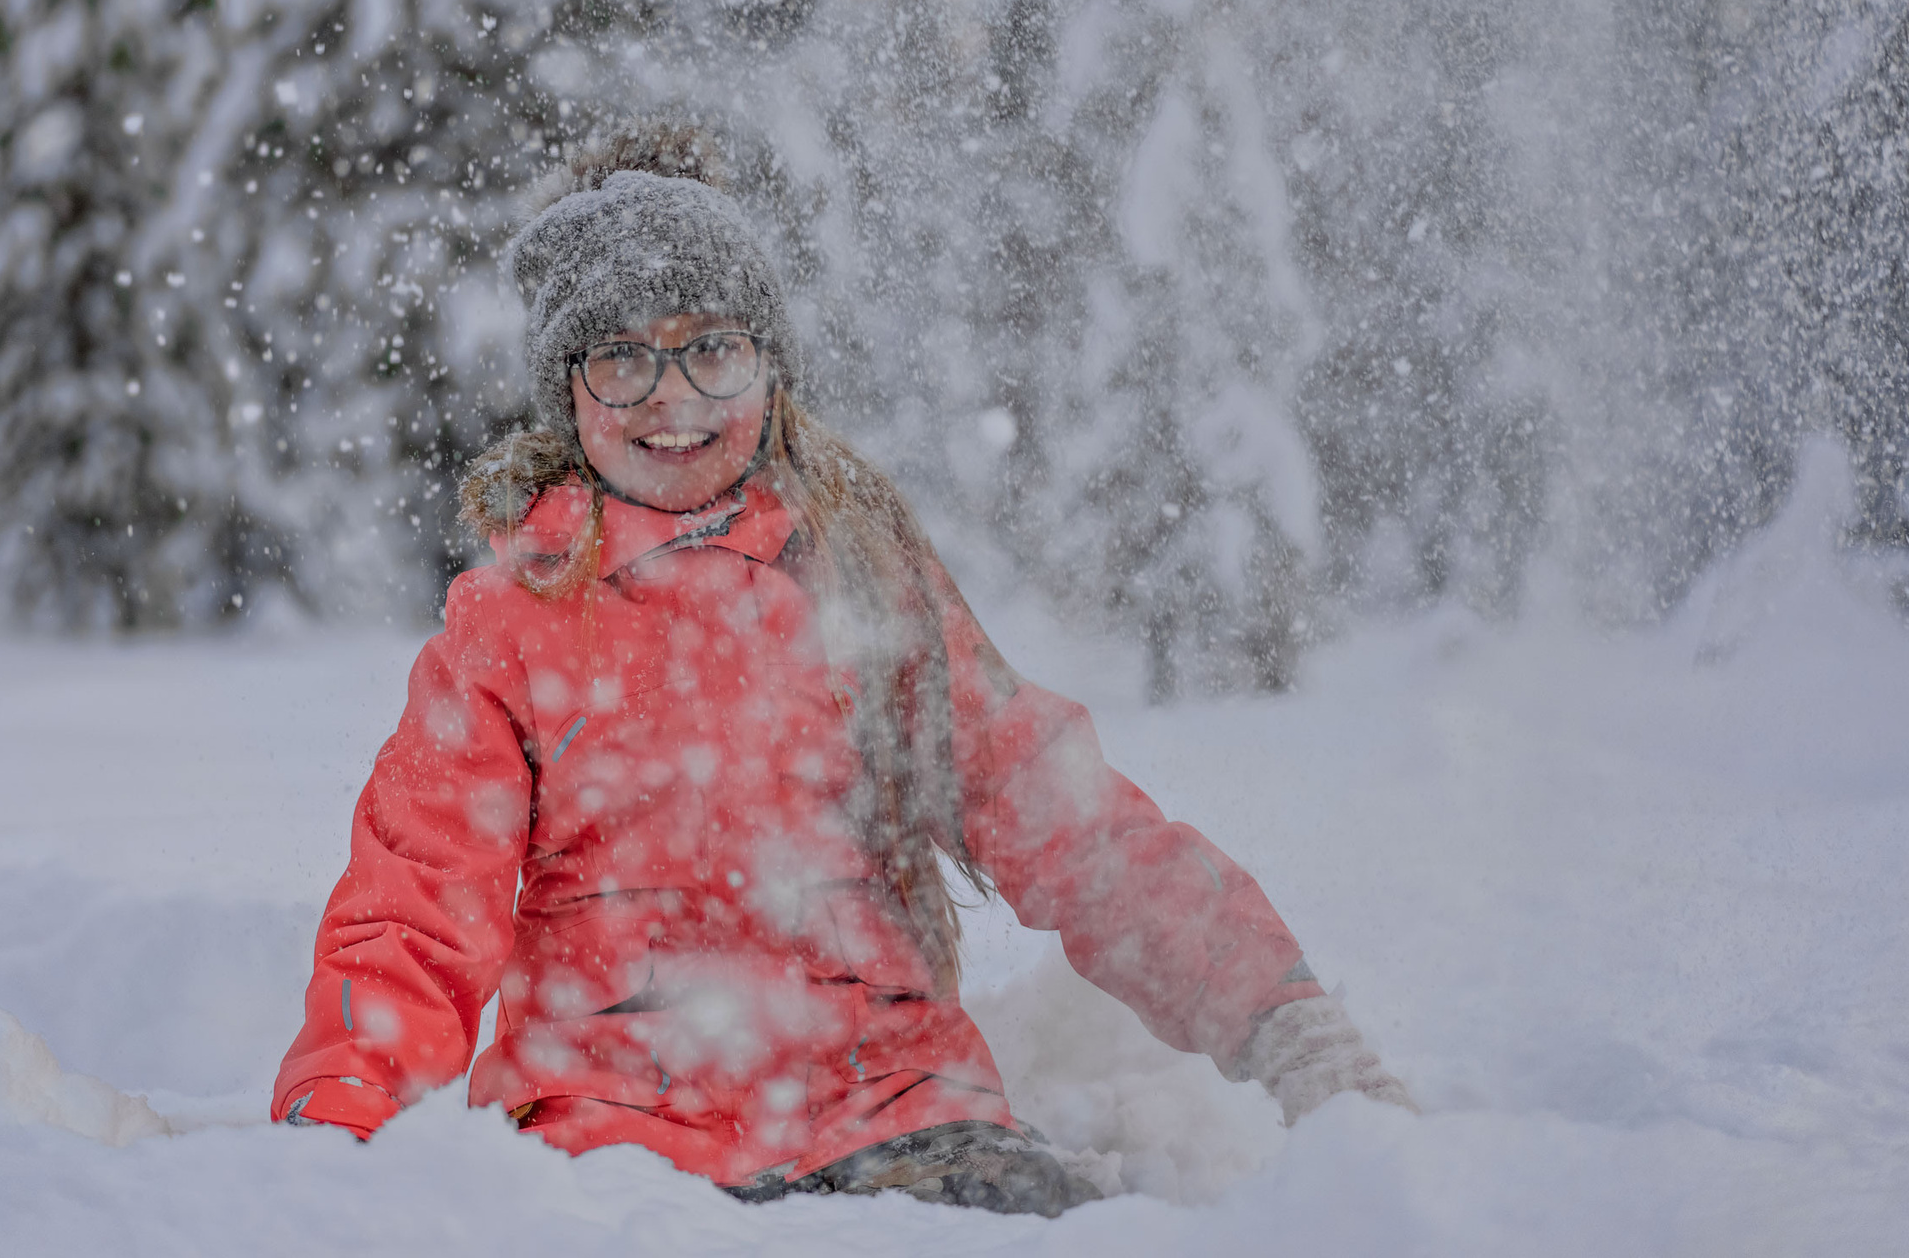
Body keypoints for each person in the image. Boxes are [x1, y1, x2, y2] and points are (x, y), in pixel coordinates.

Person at [272, 130, 1414, 1216]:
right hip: (611, 1148)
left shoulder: (865, 580)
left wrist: (1280, 1018)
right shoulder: (514, 624)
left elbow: (1063, 822)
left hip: (898, 1120)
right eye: (621, 359)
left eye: (710, 348)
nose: (673, 398)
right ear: (568, 395)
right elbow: (412, 916)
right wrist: (341, 1134)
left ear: (767, 365)